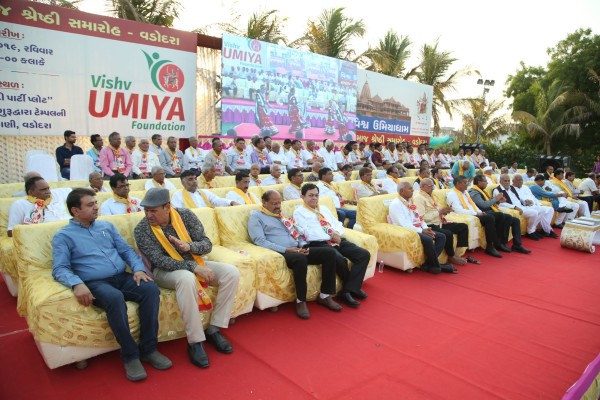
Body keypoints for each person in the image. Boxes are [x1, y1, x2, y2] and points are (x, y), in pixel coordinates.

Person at [52, 188, 171, 382]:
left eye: (96, 203)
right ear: (75, 211)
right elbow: (60, 268)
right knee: (115, 298)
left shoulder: (106, 227)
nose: (96, 207)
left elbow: (127, 251)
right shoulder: (63, 236)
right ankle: (130, 355)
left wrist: (138, 269)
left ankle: (149, 349)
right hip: (95, 283)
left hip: (122, 277)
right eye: (90, 205)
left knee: (150, 289)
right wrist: (76, 284)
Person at [134, 188, 240, 368]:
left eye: (153, 210)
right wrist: (193, 267)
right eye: (146, 210)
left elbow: (206, 244)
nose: (148, 215)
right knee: (186, 278)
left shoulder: (186, 216)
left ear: (167, 207)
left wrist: (188, 247)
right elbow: (159, 260)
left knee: (231, 273)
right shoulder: (142, 229)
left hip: (195, 260)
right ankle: (195, 341)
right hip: (164, 271)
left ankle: (214, 328)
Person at [248, 190, 341, 319]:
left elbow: (297, 234)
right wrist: (287, 250)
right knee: (300, 259)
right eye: (274, 204)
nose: (277, 207)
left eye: (279, 203)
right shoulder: (256, 217)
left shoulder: (283, 215)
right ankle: (300, 301)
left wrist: (302, 245)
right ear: (264, 203)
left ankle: (325, 295)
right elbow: (259, 241)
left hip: (298, 248)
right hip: (281, 252)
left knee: (330, 253)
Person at [293, 184, 369, 308]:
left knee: (363, 254)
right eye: (310, 195)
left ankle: (348, 289)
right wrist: (330, 235)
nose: (314, 198)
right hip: (320, 243)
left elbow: (337, 223)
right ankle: (350, 290)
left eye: (316, 195)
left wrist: (337, 233)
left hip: (336, 239)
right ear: (302, 196)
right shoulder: (299, 213)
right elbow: (307, 234)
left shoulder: (323, 209)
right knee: (339, 259)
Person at [389, 182, 456, 273]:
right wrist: (421, 230)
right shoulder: (396, 204)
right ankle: (437, 266)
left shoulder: (410, 201)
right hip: (406, 230)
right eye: (410, 189)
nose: (413, 190)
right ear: (401, 191)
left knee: (441, 236)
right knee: (428, 239)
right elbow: (403, 224)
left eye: (412, 188)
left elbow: (419, 217)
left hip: (417, 228)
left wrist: (425, 227)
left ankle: (428, 264)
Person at [414, 178, 477, 266]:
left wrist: (444, 211)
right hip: (430, 224)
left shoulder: (432, 196)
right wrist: (439, 212)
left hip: (440, 221)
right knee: (448, 233)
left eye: (433, 186)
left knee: (463, 227)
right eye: (430, 186)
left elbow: (437, 210)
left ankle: (456, 255)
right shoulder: (419, 198)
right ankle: (451, 256)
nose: (433, 188)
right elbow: (421, 217)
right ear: (423, 187)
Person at [468, 175, 532, 254]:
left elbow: (489, 203)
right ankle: (498, 243)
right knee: (501, 215)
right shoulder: (474, 192)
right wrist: (496, 198)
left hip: (491, 211)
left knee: (515, 220)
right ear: (479, 182)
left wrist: (498, 201)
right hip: (485, 213)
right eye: (485, 181)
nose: (487, 183)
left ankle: (516, 244)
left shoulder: (481, 190)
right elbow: (483, 205)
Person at [446, 176, 505, 258]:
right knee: (489, 218)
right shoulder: (452, 194)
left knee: (500, 215)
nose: (468, 184)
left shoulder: (465, 193)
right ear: (458, 184)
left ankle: (498, 243)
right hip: (466, 215)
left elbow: (472, 205)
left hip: (474, 212)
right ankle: (489, 246)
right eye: (465, 182)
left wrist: (480, 212)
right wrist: (476, 213)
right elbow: (458, 210)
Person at [493, 174, 544, 240]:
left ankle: (532, 230)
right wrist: (514, 207)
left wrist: (525, 201)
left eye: (508, 181)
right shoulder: (497, 190)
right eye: (505, 181)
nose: (507, 182)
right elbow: (500, 203)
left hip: (521, 206)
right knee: (534, 213)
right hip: (513, 208)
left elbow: (518, 198)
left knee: (541, 210)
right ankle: (530, 232)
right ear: (500, 181)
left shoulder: (512, 188)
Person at [171, 170, 237, 209]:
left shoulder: (203, 192)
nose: (194, 181)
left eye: (195, 178)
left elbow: (216, 200)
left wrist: (231, 202)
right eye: (190, 179)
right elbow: (177, 212)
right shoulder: (178, 195)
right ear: (183, 183)